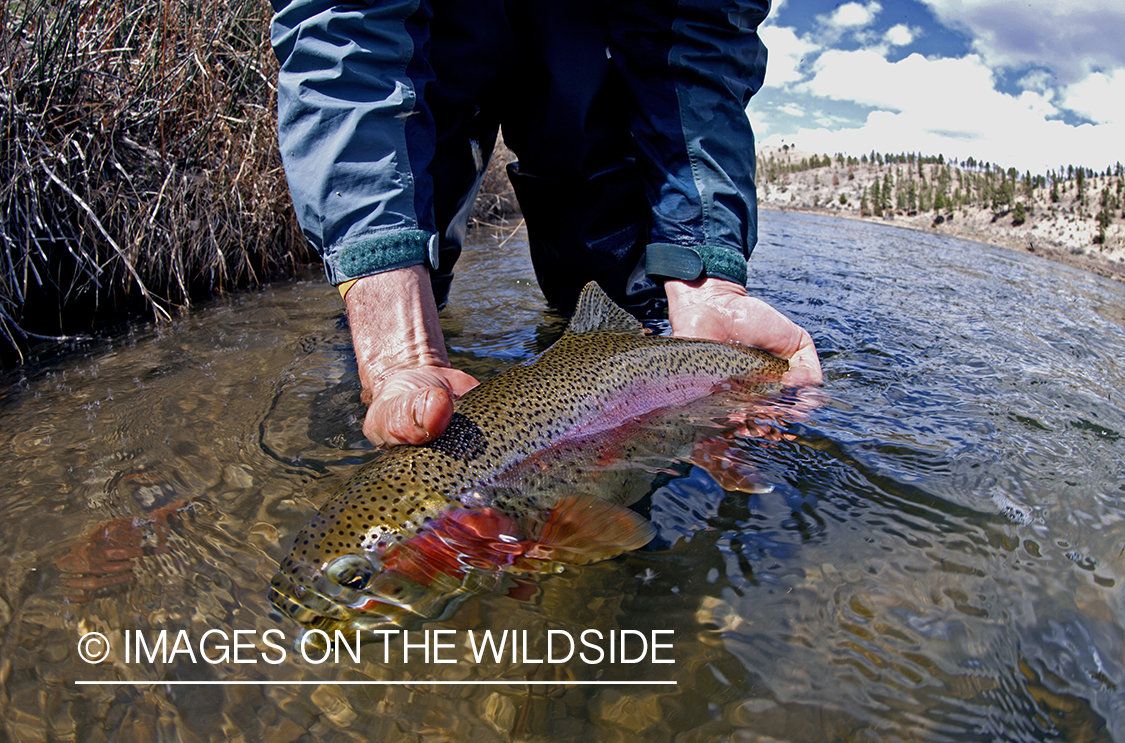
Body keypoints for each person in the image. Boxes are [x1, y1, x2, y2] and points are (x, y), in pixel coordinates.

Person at [269, 0, 822, 447]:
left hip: (597, 28)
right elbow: (344, 37)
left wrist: (708, 272)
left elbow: (702, 27)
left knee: (623, 315)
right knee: (395, 321)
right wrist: (399, 347)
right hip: (426, 35)